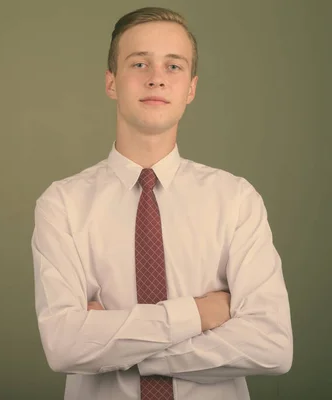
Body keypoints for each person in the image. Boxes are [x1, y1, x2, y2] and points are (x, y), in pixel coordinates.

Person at [31, 6, 293, 400]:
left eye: (173, 66)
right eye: (139, 63)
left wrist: (115, 347)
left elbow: (272, 347)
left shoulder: (236, 200)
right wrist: (199, 316)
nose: (156, 79)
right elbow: (64, 345)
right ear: (111, 82)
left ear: (191, 88)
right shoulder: (62, 205)